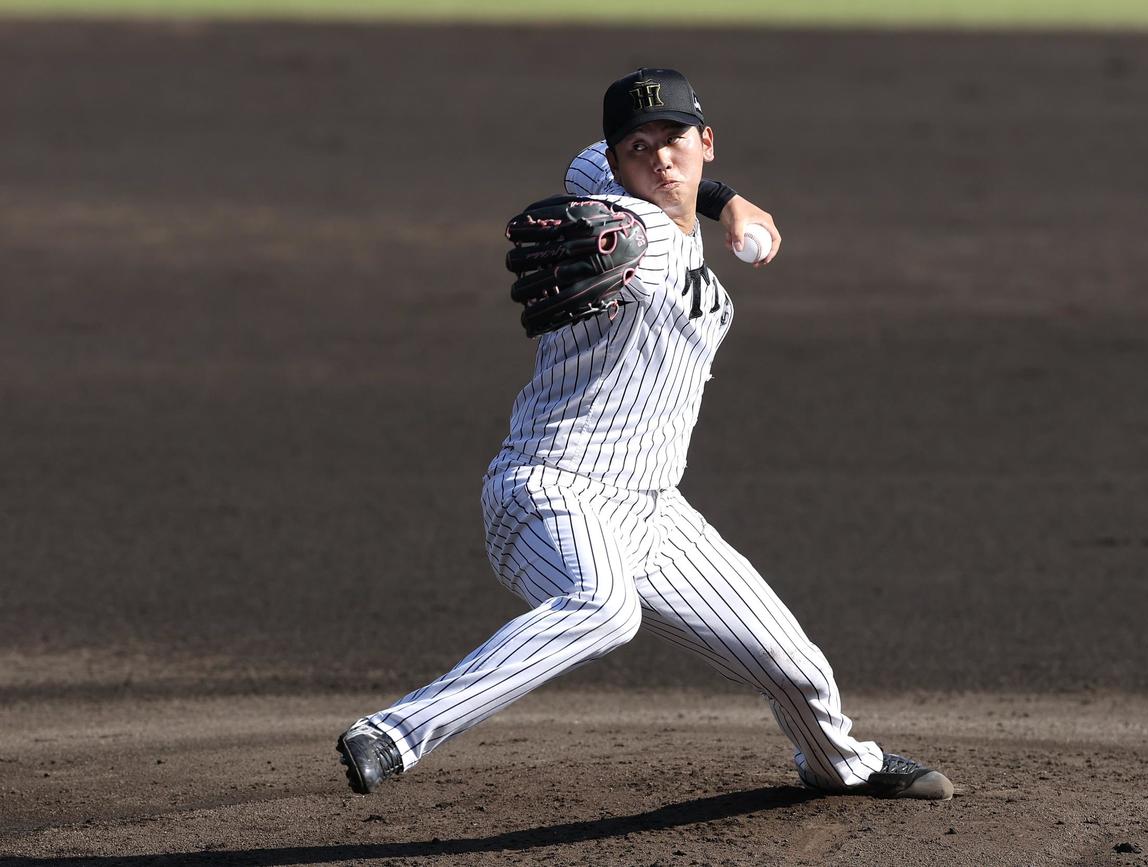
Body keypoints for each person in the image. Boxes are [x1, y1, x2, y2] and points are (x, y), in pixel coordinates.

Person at [336, 67, 953, 801]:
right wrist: (635, 232)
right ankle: (395, 731)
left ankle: (837, 763)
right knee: (604, 606)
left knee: (795, 664)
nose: (658, 158)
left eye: (673, 140)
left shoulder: (644, 190)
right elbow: (625, 218)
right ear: (618, 161)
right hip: (549, 490)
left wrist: (726, 203)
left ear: (707, 143)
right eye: (637, 147)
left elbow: (614, 166)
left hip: (655, 512)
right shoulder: (636, 233)